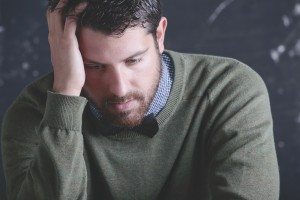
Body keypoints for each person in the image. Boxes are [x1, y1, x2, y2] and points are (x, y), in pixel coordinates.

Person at [1, 0, 280, 199]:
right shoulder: (35, 112)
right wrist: (64, 98)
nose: (119, 89)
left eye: (133, 60)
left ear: (159, 35)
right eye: (94, 66)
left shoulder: (229, 90)